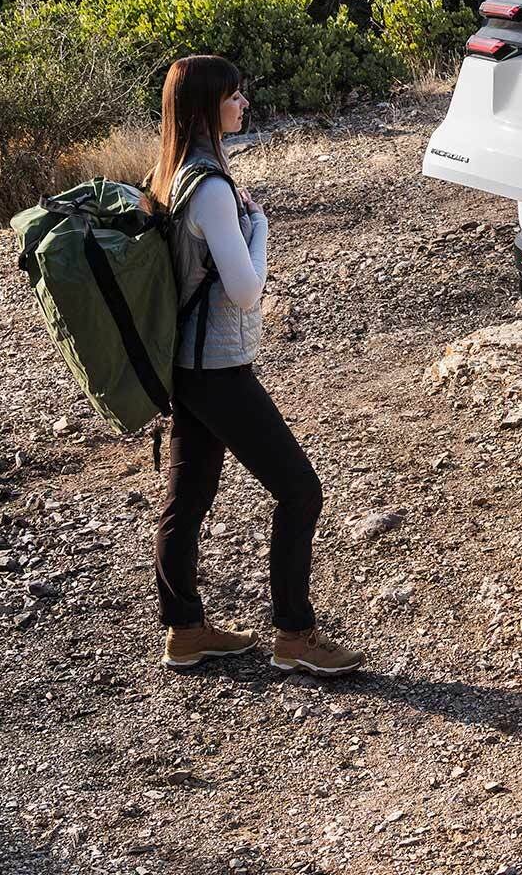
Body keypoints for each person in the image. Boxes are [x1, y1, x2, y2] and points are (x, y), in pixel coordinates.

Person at [146, 55, 363, 676]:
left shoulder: (173, 173)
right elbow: (244, 290)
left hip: (188, 367)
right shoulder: (211, 187)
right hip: (216, 368)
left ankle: (185, 630)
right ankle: (294, 635)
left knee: (188, 497)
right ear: (207, 107)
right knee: (299, 489)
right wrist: (261, 227)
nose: (244, 105)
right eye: (235, 96)